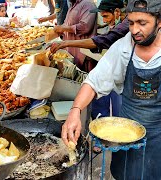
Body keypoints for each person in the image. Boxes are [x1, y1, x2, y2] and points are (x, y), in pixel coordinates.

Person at [62, 0, 161, 179]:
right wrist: (75, 111)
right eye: (131, 22)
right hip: (126, 132)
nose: (134, 30)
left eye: (142, 23)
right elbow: (94, 81)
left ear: (159, 21)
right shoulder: (124, 48)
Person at [51, 0, 126, 119]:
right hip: (112, 73)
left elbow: (104, 39)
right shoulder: (72, 6)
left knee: (117, 107)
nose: (105, 20)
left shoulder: (125, 26)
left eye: (106, 16)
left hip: (123, 77)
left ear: (117, 12)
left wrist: (65, 43)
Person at [50, 0, 97, 70]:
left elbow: (85, 27)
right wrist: (59, 30)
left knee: (83, 77)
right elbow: (67, 24)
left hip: (83, 54)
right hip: (71, 51)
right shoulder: (73, 5)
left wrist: (63, 28)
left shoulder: (88, 4)